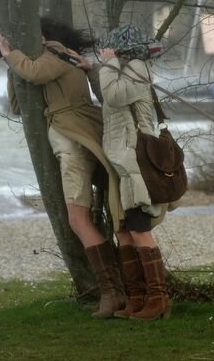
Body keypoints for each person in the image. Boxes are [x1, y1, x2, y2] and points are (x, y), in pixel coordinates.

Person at [0, 17, 126, 319]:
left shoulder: (55, 52)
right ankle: (117, 289)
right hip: (75, 137)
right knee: (84, 217)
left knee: (78, 219)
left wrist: (11, 56)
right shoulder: (54, 58)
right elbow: (18, 106)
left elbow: (35, 72)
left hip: (73, 141)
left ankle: (112, 292)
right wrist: (10, 66)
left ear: (41, 37)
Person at [73, 24, 172, 321]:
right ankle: (138, 298)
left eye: (112, 50)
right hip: (122, 162)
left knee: (139, 231)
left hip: (134, 163)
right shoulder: (125, 69)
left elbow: (115, 96)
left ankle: (158, 300)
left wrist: (109, 64)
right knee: (124, 231)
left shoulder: (137, 67)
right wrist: (95, 69)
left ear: (122, 51)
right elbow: (110, 96)